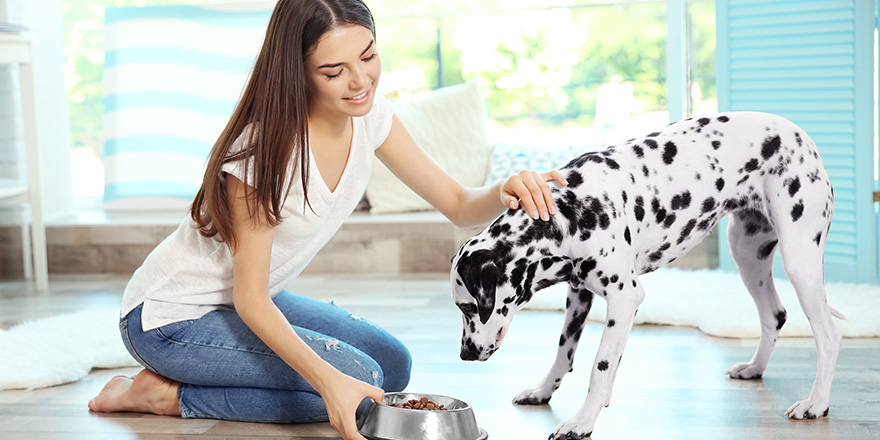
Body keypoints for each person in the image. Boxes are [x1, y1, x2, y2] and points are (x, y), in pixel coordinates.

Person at [87, 1, 566, 439]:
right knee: (361, 383)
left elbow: (459, 202)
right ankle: (162, 395)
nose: (360, 82)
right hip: (171, 318)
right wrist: (328, 382)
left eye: (368, 55)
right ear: (298, 74)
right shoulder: (261, 158)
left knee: (392, 366)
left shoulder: (371, 117)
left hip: (240, 303)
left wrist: (504, 190)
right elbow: (250, 299)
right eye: (334, 71)